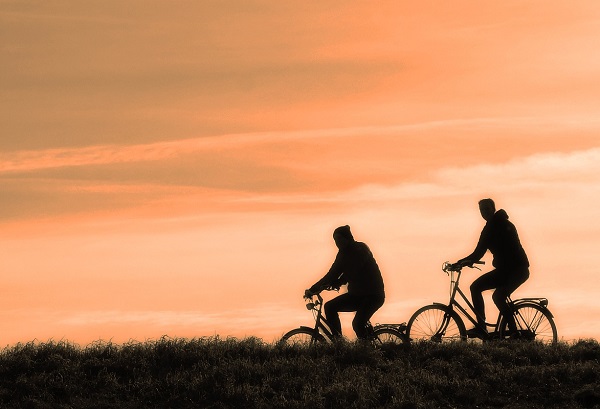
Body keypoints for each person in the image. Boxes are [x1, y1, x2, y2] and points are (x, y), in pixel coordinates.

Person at [454, 198, 530, 338]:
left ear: (493, 209)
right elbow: (478, 252)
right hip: (505, 270)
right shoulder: (491, 227)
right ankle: (482, 328)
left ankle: (513, 332)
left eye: (486, 209)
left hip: (517, 270)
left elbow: (480, 253)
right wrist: (462, 262)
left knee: (497, 296)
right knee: (476, 287)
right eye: (482, 210)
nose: (484, 212)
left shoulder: (501, 226)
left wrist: (462, 262)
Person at [304, 225, 385, 340]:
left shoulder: (360, 249)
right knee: (330, 307)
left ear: (347, 238)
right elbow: (331, 274)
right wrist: (313, 289)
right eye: (335, 240)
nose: (337, 243)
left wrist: (338, 282)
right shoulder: (342, 254)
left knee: (357, 324)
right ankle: (339, 343)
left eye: (339, 239)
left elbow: (353, 270)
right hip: (357, 295)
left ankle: (368, 351)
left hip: (373, 295)